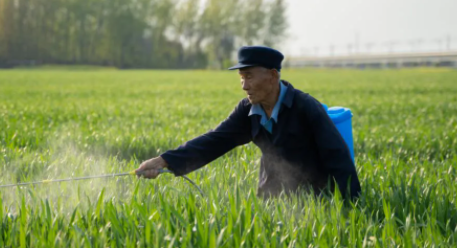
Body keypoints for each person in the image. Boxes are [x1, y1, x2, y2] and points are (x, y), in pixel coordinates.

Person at [135, 46, 361, 200]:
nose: (244, 85)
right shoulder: (248, 111)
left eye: (249, 76)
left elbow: (337, 157)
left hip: (315, 199)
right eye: (241, 77)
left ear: (272, 76)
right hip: (272, 200)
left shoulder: (305, 107)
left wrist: (351, 206)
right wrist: (163, 161)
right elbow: (214, 141)